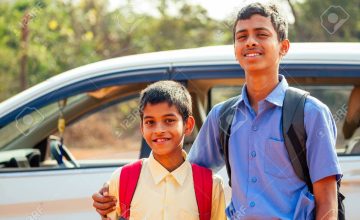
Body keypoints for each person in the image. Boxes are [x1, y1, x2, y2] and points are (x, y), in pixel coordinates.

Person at [93, 2, 341, 219]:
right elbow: (183, 171)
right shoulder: (223, 117)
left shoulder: (310, 113)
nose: (250, 41)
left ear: (283, 47)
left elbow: (327, 200)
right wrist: (116, 185)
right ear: (235, 49)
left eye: (261, 34)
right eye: (241, 36)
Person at [94, 80, 226, 220]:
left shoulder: (211, 185)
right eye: (150, 122)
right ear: (142, 128)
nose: (159, 130)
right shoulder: (122, 179)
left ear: (188, 125)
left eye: (169, 120)